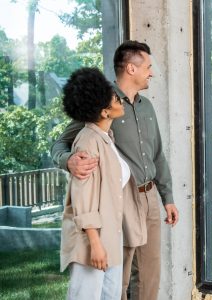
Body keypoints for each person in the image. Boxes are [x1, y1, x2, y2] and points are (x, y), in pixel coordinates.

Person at [52, 41, 179, 300]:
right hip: (122, 198)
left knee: (148, 274)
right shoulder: (103, 104)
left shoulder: (147, 107)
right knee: (116, 276)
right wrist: (69, 161)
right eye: (148, 67)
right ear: (131, 68)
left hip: (150, 196)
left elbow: (158, 156)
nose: (151, 73)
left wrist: (168, 198)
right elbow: (61, 143)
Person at [60, 67, 146, 300]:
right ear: (105, 111)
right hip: (93, 240)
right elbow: (83, 199)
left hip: (110, 235)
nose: (119, 98)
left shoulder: (106, 139)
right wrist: (96, 245)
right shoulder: (87, 142)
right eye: (114, 97)